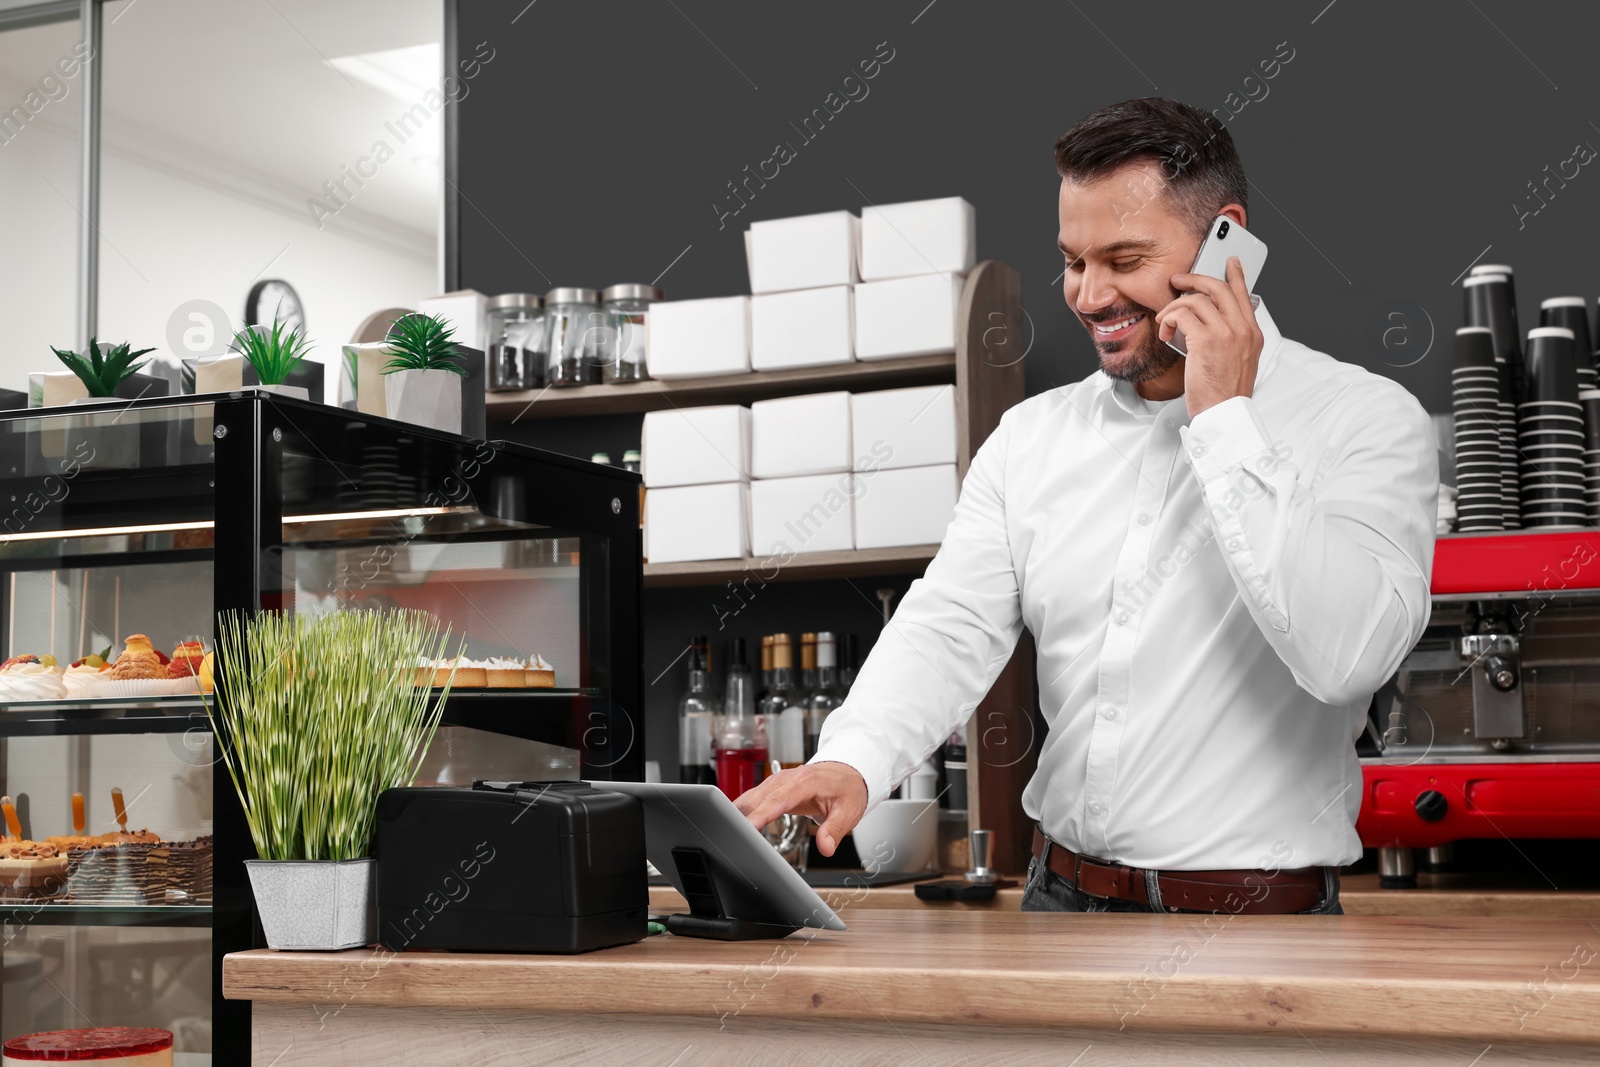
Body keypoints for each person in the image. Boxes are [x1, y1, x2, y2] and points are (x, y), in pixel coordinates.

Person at [735, 97, 1437, 915]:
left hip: (1259, 922)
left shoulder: (1367, 419)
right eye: (1072, 260)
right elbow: (950, 622)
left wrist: (1226, 422)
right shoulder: (1031, 436)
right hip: (1056, 901)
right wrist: (853, 758)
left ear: (1227, 242)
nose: (1089, 294)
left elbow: (1348, 656)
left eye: (1125, 258)